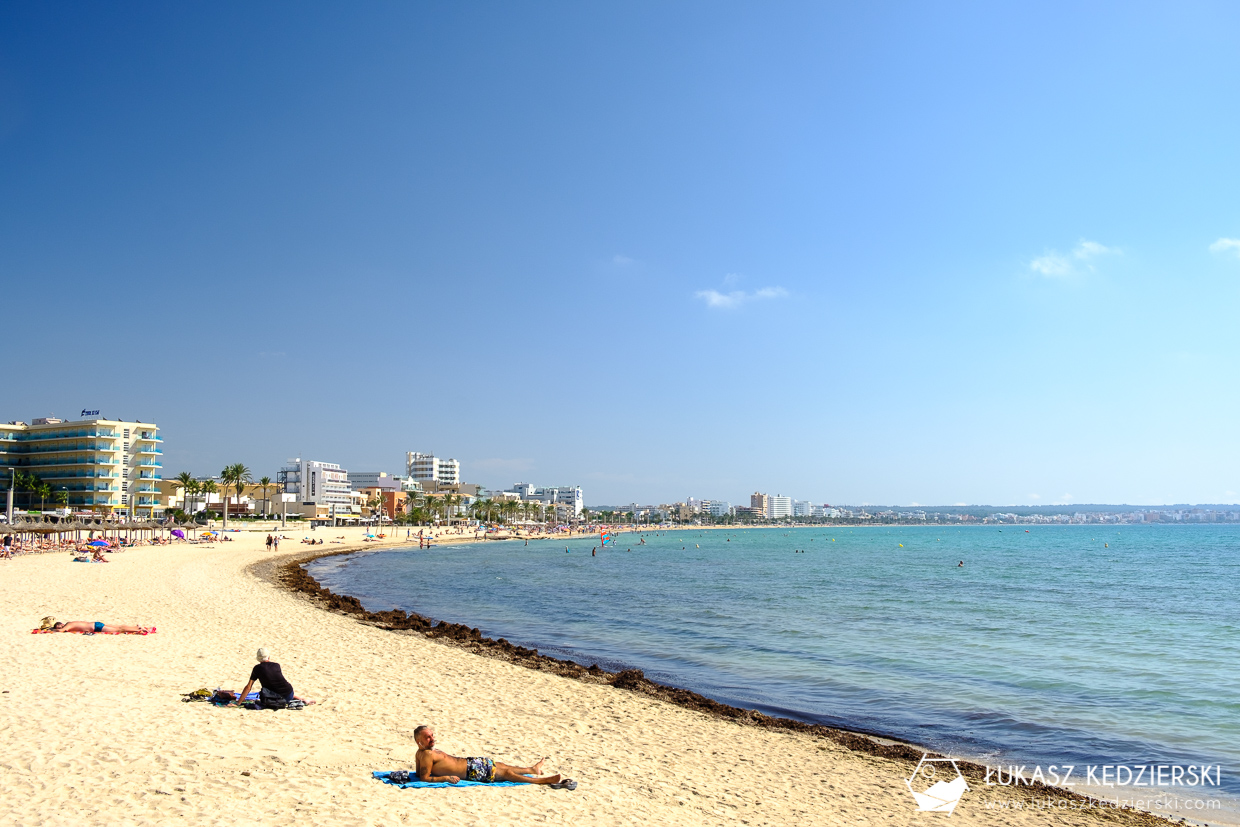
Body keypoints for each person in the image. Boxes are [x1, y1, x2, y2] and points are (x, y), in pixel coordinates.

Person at [413, 726, 574, 788]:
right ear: (419, 741)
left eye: (432, 735)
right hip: (471, 772)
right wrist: (445, 778)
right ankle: (542, 781)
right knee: (506, 775)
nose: (432, 739)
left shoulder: (421, 753)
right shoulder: (426, 754)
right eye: (428, 737)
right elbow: (423, 778)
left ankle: (532, 769)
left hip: (471, 763)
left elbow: (419, 773)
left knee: (501, 765)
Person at [51, 620, 150, 634]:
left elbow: (61, 631)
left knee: (119, 629)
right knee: (119, 627)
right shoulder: (70, 623)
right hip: (95, 624)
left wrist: (52, 629)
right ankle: (136, 627)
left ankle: (138, 629)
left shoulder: (68, 625)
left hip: (95, 627)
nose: (59, 627)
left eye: (58, 625)